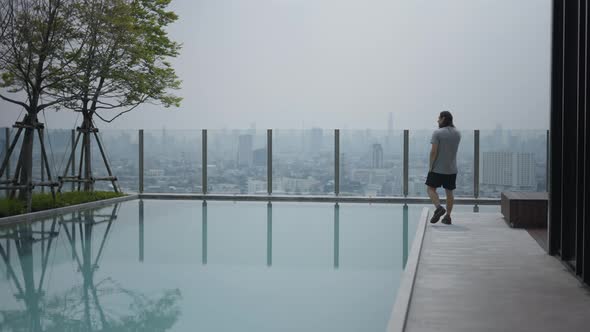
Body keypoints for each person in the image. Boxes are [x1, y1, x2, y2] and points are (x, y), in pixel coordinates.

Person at [426, 111, 461, 225]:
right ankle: (448, 217)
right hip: (451, 168)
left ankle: (438, 208)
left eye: (439, 118)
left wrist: (431, 166)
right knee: (449, 192)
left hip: (437, 168)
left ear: (443, 118)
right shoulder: (457, 133)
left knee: (430, 189)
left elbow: (433, 152)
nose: (437, 120)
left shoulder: (438, 133)